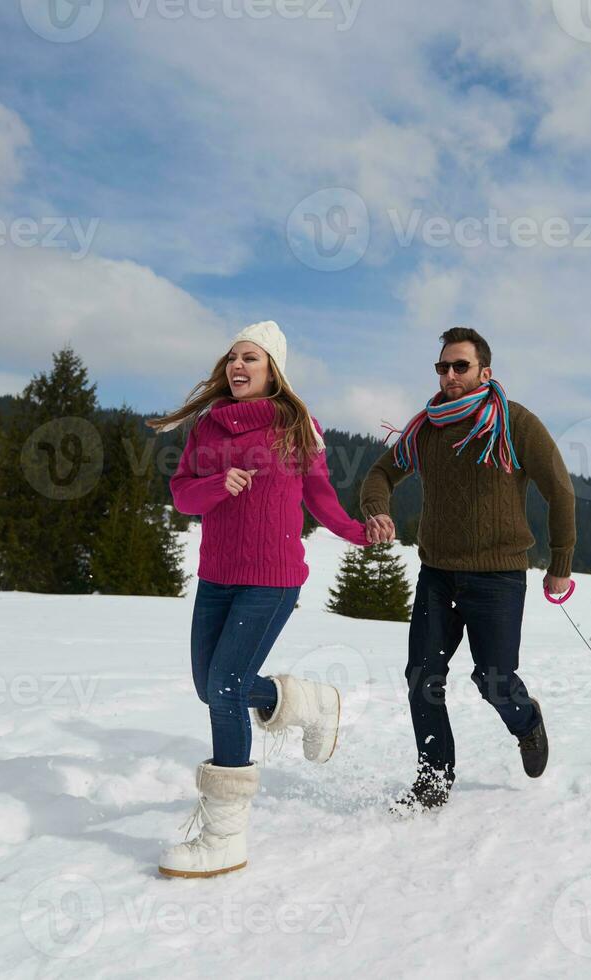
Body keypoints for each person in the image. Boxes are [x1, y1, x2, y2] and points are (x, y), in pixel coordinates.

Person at [145, 320, 375, 877]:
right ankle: (305, 701)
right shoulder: (208, 428)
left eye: (250, 357)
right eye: (232, 358)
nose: (237, 366)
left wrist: (360, 532)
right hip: (217, 577)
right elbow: (181, 494)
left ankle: (224, 837)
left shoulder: (298, 428)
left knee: (224, 688)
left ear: (274, 369)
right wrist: (216, 483)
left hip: (272, 579)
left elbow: (321, 499)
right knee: (209, 686)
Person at [360, 326, 576, 813]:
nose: (450, 375)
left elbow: (559, 490)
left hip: (498, 577)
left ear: (485, 372)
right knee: (422, 676)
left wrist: (560, 563)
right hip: (437, 574)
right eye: (443, 367)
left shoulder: (514, 422)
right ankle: (433, 780)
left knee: (493, 678)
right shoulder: (426, 427)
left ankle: (526, 722)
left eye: (461, 366)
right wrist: (377, 509)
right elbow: (380, 473)